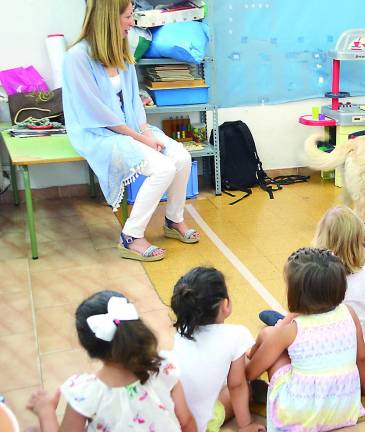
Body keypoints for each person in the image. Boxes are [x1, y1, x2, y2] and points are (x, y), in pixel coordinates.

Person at [62, 0, 199, 262]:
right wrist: (141, 139)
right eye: (127, 17)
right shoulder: (76, 58)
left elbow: (133, 100)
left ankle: (173, 220)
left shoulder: (121, 48)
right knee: (163, 168)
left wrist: (146, 131)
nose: (131, 22)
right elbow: (95, 113)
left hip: (130, 127)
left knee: (181, 157)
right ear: (108, 19)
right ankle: (131, 237)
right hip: (97, 132)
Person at [245, 248, 365, 431]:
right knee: (277, 340)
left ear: (295, 293)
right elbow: (362, 358)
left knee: (268, 334)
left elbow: (250, 373)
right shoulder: (350, 313)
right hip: (344, 409)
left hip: (299, 414)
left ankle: (251, 384)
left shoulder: (290, 331)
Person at [26, 291, 196, 431]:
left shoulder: (85, 392)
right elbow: (186, 421)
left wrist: (46, 412)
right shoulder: (164, 365)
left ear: (84, 343)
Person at [258, 206, 365, 359]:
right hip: (358, 349)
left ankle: (279, 322)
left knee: (281, 331)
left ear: (322, 237)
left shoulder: (319, 275)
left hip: (324, 348)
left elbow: (301, 311)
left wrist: (280, 328)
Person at [170, 267, 263, 432]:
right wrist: (245, 425)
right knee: (244, 385)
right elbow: (236, 385)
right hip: (199, 426)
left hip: (170, 419)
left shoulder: (182, 330)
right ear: (224, 303)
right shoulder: (237, 335)